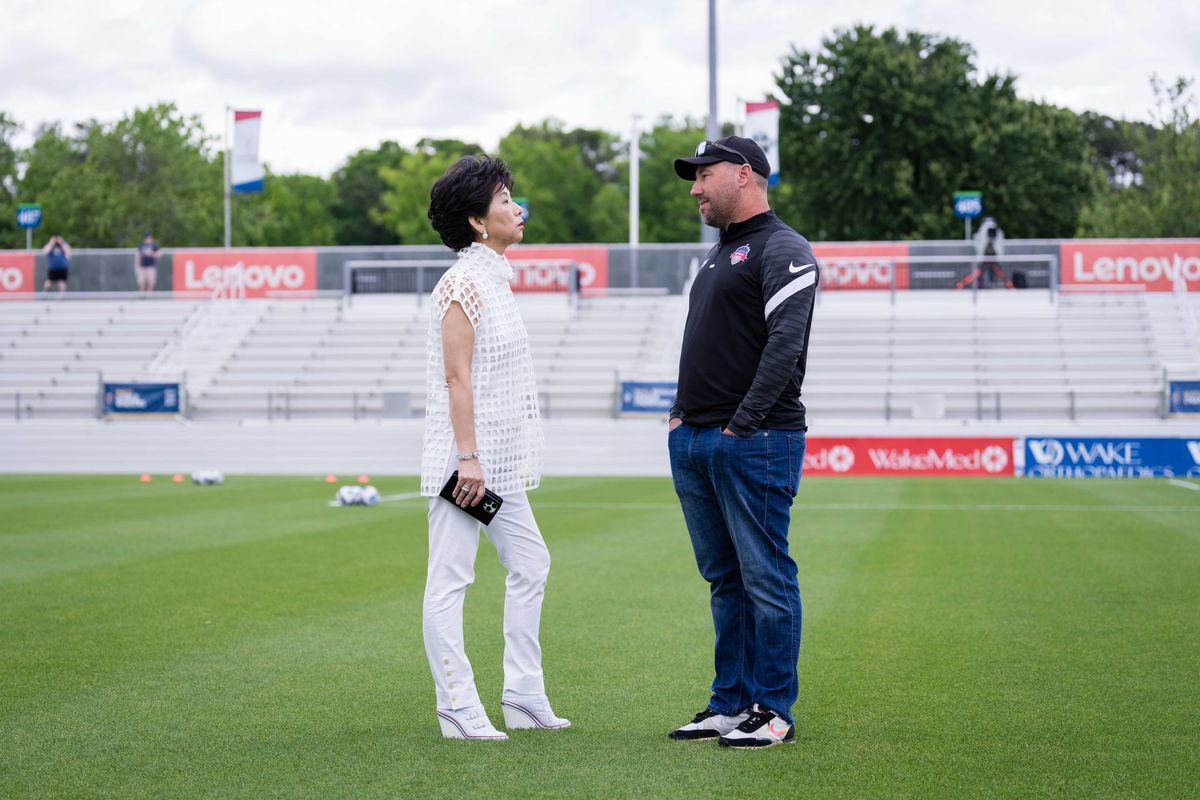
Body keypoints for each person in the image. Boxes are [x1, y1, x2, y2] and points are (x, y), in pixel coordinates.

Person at [666, 136, 819, 748]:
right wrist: (681, 417)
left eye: (704, 176)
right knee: (725, 580)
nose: (696, 189)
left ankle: (773, 709)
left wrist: (742, 424)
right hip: (696, 438)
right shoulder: (716, 255)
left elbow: (785, 345)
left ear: (744, 174)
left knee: (766, 577)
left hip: (756, 439)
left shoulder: (784, 248)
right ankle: (729, 703)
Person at [419, 154, 569, 741]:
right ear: (478, 222)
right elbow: (457, 378)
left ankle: (523, 696)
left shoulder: (496, 278)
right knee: (451, 578)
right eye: (505, 200)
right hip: (466, 464)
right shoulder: (462, 283)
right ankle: (456, 705)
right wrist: (468, 459)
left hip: (498, 462)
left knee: (531, 563)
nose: (518, 207)